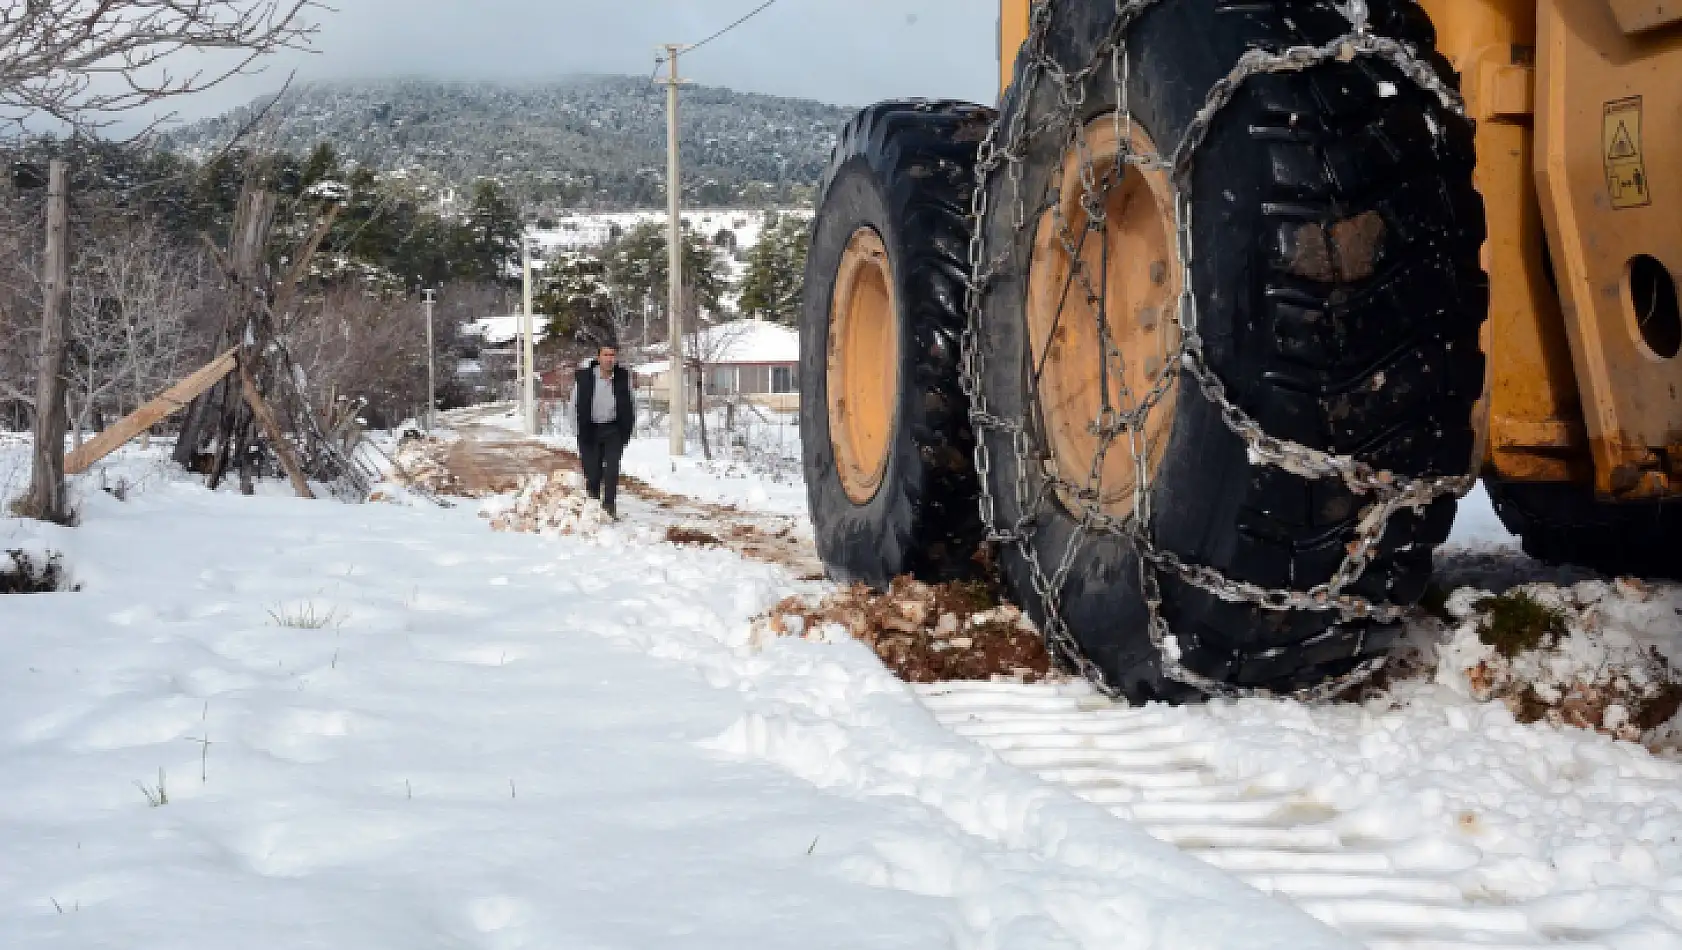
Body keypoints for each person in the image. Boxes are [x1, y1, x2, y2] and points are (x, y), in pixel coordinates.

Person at [568, 343, 635, 518]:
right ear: (598, 358)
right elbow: (573, 405)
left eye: (612, 355)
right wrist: (578, 431)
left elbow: (631, 404)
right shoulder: (585, 379)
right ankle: (593, 505)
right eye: (605, 355)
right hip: (590, 430)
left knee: (612, 469)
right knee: (593, 472)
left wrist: (627, 430)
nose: (609, 359)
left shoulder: (621, 378)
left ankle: (609, 506)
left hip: (613, 430)